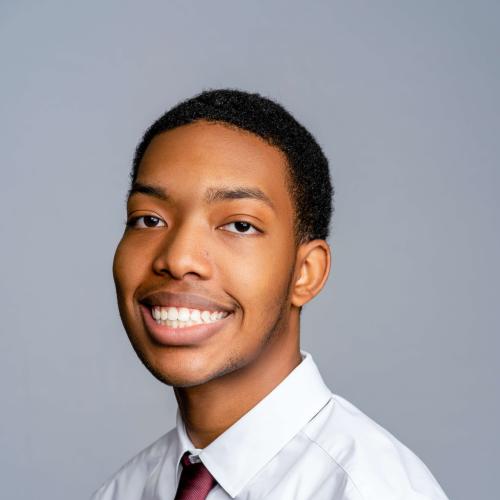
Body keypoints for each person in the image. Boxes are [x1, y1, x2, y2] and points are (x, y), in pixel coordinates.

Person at [91, 89, 449, 499]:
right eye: (149, 219)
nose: (179, 258)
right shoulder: (124, 491)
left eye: (240, 225)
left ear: (305, 273)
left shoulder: (368, 489)